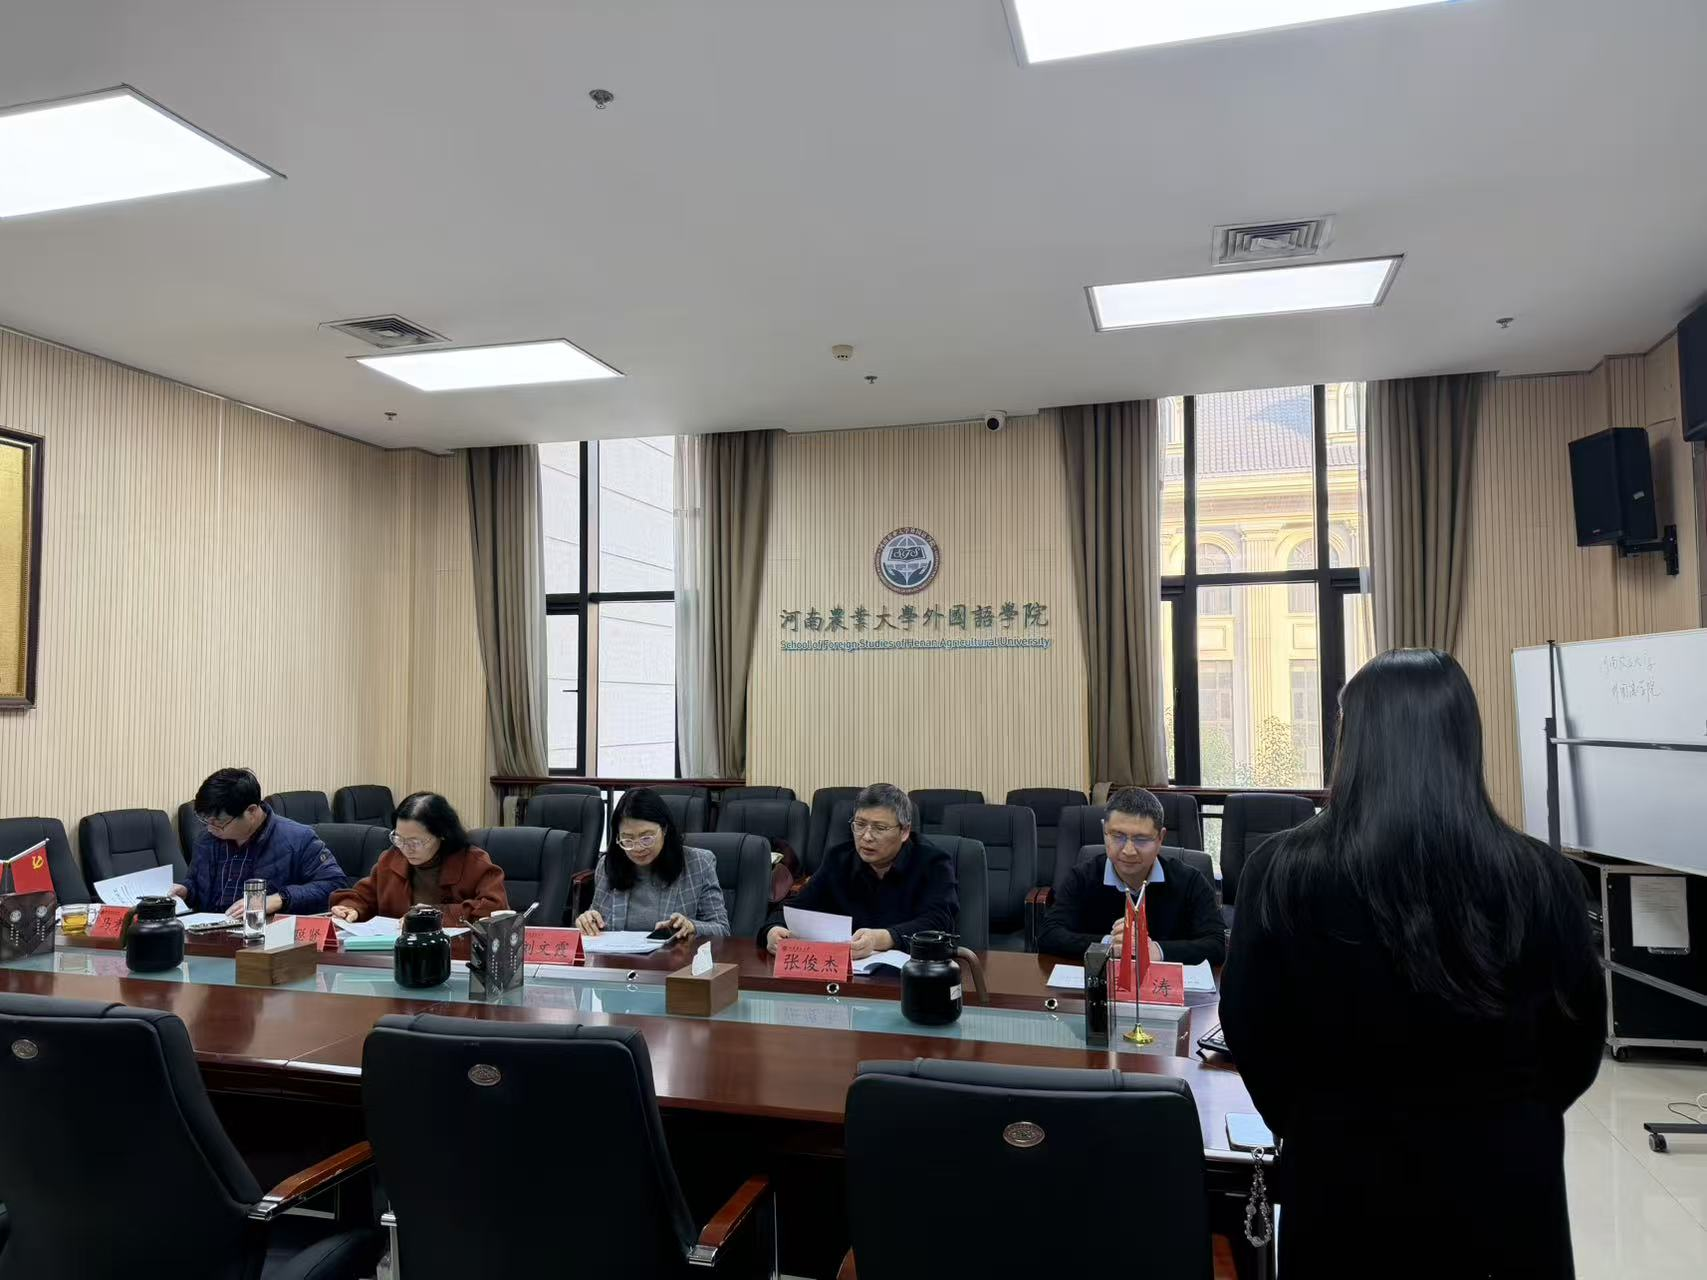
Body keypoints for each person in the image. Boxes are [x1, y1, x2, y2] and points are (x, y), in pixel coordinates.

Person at [1219, 649, 1604, 1277]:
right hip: (1505, 1185)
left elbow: (1250, 1026)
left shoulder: (1284, 870)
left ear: (1352, 742)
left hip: (1340, 1176)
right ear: (1466, 739)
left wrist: (1311, 1118)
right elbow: (1577, 1045)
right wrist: (1506, 1118)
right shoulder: (1543, 876)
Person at [760, 783, 957, 960]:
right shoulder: (838, 860)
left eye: (880, 828)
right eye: (860, 825)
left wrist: (883, 938)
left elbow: (939, 922)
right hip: (850, 975)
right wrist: (773, 930)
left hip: (911, 973)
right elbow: (797, 908)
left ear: (904, 831)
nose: (867, 836)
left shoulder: (933, 863)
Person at [1036, 786, 1225, 965]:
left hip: (1165, 984)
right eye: (1117, 836)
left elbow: (1218, 943)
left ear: (1160, 838)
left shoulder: (1190, 881)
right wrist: (1108, 945)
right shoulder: (1082, 878)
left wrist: (1157, 950)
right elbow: (1048, 935)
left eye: (1141, 839)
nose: (1128, 850)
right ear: (1104, 831)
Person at [173, 768, 348, 917]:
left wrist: (279, 899)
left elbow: (335, 885)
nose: (210, 828)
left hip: (266, 937)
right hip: (207, 935)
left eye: (219, 823)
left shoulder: (298, 839)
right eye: (206, 821)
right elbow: (198, 885)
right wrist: (187, 891)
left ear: (251, 811)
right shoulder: (207, 840)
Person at [329, 792, 507, 926]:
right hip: (395, 954)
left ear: (442, 834)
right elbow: (364, 896)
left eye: (416, 842)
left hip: (452, 956)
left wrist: (436, 915)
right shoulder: (391, 859)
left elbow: (496, 910)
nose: (406, 849)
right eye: (399, 839)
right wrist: (351, 908)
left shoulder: (474, 863)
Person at [575, 788, 729, 941]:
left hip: (674, 956)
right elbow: (597, 919)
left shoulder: (699, 864)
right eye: (627, 839)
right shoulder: (608, 865)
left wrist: (692, 927)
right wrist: (588, 921)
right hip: (618, 956)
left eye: (646, 838)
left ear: (664, 829)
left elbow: (721, 929)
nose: (638, 848)